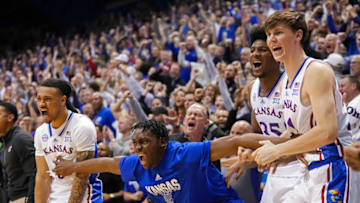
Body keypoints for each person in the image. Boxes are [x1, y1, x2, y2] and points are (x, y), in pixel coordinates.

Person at [53, 119, 291, 203]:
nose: (137, 149)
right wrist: (71, 167)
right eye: (135, 144)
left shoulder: (184, 154)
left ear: (162, 143)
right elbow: (104, 164)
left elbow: (235, 140)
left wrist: (287, 143)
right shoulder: (135, 163)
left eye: (144, 142)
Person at [252, 9, 355, 202]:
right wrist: (259, 153)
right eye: (269, 35)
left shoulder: (316, 71)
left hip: (337, 164)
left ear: (298, 35)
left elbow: (327, 132)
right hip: (310, 166)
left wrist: (277, 150)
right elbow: (295, 134)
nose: (271, 39)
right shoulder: (285, 81)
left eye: (278, 33)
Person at [228, 25, 304, 203]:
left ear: (277, 56)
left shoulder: (292, 84)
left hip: (302, 168)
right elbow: (257, 133)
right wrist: (244, 157)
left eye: (263, 50)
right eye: (252, 50)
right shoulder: (252, 89)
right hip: (274, 171)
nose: (255, 54)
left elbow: (303, 135)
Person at [34, 78, 102, 203]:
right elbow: (43, 176)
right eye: (39, 99)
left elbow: (82, 177)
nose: (42, 104)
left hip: (86, 196)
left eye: (47, 99)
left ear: (63, 100)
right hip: (56, 196)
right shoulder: (40, 132)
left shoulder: (82, 126)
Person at [0, 101, 36, 203]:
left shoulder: (20, 139)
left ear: (10, 117)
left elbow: (34, 173)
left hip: (24, 197)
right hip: (13, 198)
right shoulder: (5, 142)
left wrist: (31, 200)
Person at [339, 75, 360, 140]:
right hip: (347, 143)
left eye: (342, 86)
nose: (340, 89)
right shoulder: (345, 102)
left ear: (353, 86)